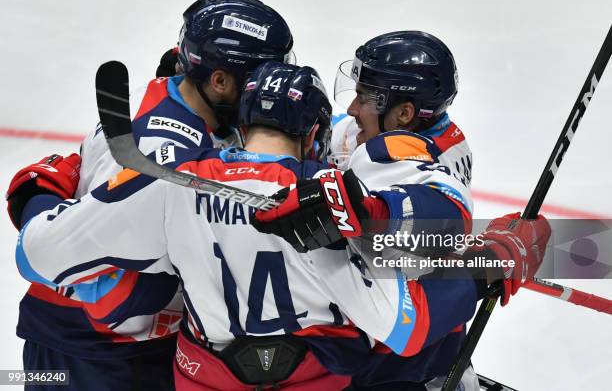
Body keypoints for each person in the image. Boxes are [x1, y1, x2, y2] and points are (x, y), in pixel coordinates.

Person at [13, 61, 517, 391]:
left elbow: (36, 256)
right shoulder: (321, 207)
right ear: (315, 134)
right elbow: (408, 326)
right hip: (310, 376)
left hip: (154, 371)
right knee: (414, 329)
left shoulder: (175, 185)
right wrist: (492, 262)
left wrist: (40, 192)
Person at [6, 0, 293, 391]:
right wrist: (39, 203)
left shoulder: (186, 98)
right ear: (220, 80)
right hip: (89, 353)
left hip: (131, 348)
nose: (271, 87)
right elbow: (119, 297)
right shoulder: (163, 151)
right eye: (262, 76)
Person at [252, 31, 551, 389]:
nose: (351, 109)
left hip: (400, 351)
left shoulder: (421, 157)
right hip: (387, 333)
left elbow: (442, 220)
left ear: (404, 113)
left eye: (363, 98)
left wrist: (369, 211)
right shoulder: (385, 133)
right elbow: (320, 137)